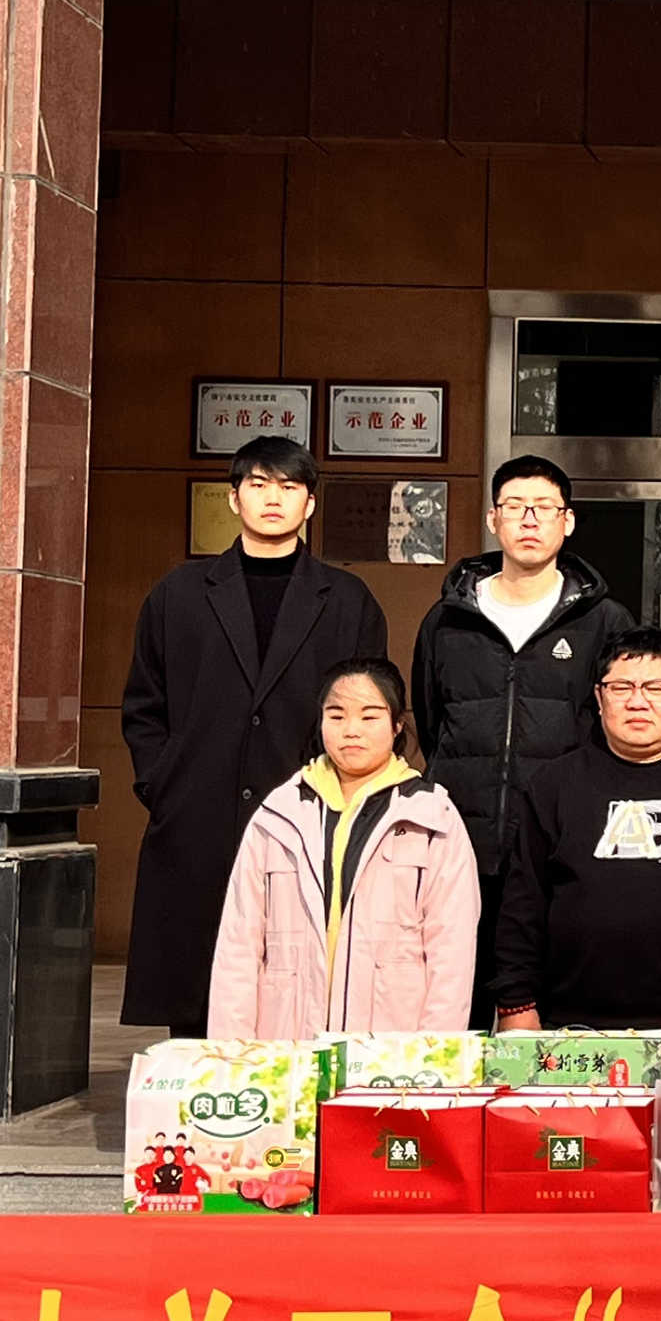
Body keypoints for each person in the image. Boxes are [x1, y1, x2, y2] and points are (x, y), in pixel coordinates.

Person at [115, 432, 388, 1035]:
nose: (273, 498)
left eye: (289, 486)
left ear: (310, 504)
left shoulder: (347, 600)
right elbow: (143, 705)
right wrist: (164, 786)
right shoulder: (179, 594)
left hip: (309, 813)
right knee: (198, 994)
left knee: (299, 985)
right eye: (258, 484)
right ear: (233, 498)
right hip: (198, 813)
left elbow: (368, 709)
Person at [413, 454, 639, 993]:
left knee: (554, 1006)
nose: (529, 519)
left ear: (568, 521)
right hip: (462, 845)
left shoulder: (605, 621)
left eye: (544, 507)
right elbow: (430, 718)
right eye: (515, 506)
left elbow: (618, 729)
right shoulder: (448, 619)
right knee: (458, 999)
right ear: (493, 519)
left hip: (564, 847)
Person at [490, 628, 661, 1032]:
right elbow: (521, 907)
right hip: (570, 1029)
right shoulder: (553, 786)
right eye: (621, 687)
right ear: (599, 698)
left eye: (656, 688)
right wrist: (515, 1004)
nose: (637, 701)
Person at [205, 657, 483, 1042]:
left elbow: (452, 952)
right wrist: (232, 1052)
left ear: (396, 725)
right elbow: (239, 944)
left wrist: (433, 1053)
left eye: (369, 717)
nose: (351, 730)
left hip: (391, 1051)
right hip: (287, 1044)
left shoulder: (432, 817)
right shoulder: (278, 815)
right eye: (336, 716)